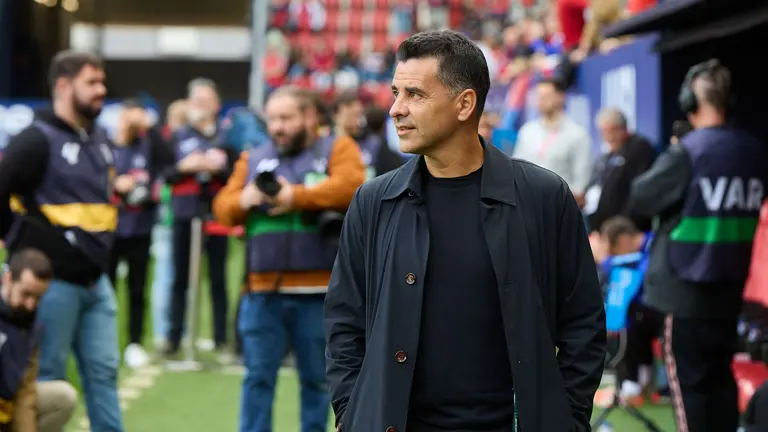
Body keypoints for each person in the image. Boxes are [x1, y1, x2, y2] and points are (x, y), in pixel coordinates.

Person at [324, 30, 606, 432]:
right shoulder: (373, 202)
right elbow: (343, 324)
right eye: (395, 93)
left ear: (465, 104)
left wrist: (567, 418)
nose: (395, 110)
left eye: (414, 95)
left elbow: (583, 324)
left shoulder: (544, 197)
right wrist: (353, 414)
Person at [213, 85, 365, 432]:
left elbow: (353, 185)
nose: (277, 127)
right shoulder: (253, 158)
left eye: (286, 118)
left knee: (317, 382)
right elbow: (222, 208)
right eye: (273, 119)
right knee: (257, 379)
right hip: (262, 292)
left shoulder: (336, 149)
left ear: (310, 117)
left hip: (320, 293)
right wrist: (246, 199)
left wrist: (296, 196)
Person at [630, 59, 768, 432]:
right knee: (720, 387)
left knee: (691, 393)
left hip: (683, 293)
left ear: (690, 100)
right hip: (729, 292)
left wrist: (675, 153)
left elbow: (639, 200)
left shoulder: (688, 151)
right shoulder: (755, 151)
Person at [0, 50, 124, 431]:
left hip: (97, 281)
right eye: (92, 82)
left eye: (103, 81)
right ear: (64, 85)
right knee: (44, 380)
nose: (102, 90)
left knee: (104, 374)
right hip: (51, 285)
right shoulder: (37, 139)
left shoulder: (100, 140)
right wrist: (26, 238)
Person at [166, 78, 238, 358]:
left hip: (216, 215)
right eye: (196, 101)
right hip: (185, 213)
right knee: (180, 278)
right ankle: (174, 337)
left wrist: (216, 167)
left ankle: (220, 338)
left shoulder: (226, 136)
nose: (201, 106)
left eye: (206, 100)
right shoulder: (178, 136)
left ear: (217, 105)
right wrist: (186, 166)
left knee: (218, 278)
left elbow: (236, 172)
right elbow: (166, 173)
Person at [107, 99, 174, 368]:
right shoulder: (108, 146)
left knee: (137, 289)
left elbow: (169, 161)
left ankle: (134, 342)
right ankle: (106, 341)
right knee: (106, 290)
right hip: (109, 229)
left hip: (140, 227)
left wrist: (150, 126)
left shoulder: (148, 146)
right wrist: (115, 183)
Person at [0, 249, 79, 432]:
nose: (31, 305)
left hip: (7, 407)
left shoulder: (30, 324)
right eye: (26, 294)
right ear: (8, 279)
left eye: (38, 298)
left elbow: (25, 391)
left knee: (63, 398)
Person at [593, 216, 662, 405]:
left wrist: (603, 261)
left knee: (632, 316)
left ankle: (633, 384)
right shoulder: (644, 248)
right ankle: (638, 382)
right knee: (630, 314)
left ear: (622, 240)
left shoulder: (655, 244)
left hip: (667, 310)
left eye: (614, 250)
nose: (613, 256)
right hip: (651, 310)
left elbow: (642, 271)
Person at [513, 78, 592, 205]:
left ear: (560, 97)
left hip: (561, 208)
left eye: (546, 96)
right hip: (528, 207)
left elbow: (581, 181)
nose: (541, 100)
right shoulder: (527, 132)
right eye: (538, 96)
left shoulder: (577, 135)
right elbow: (516, 170)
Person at [583, 107, 656, 233]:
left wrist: (622, 227)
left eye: (613, 130)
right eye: (604, 132)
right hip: (602, 230)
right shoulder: (606, 157)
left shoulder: (639, 149)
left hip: (626, 231)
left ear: (624, 128)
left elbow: (639, 192)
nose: (609, 137)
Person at [151, 99, 187, 351]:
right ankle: (163, 331)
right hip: (167, 222)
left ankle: (173, 331)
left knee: (173, 278)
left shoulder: (170, 146)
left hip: (171, 221)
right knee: (167, 278)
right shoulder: (168, 148)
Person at [333, 91, 403, 180]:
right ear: (336, 116)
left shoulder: (374, 142)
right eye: (349, 115)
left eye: (358, 115)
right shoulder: (326, 143)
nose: (355, 121)